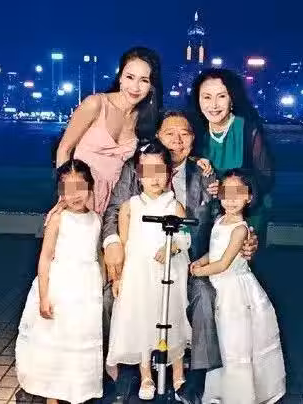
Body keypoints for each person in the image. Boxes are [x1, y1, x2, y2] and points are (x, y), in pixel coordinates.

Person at [102, 110, 258, 403]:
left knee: (204, 295)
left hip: (189, 263)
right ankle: (125, 372)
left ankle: (196, 377)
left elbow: (225, 216)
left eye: (184, 134)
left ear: (193, 139)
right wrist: (113, 243)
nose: (177, 140)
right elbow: (115, 210)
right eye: (169, 134)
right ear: (157, 137)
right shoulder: (136, 168)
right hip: (142, 266)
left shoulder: (204, 173)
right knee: (111, 298)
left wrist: (247, 236)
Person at [190, 169, 286, 404]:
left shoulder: (241, 229)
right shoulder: (219, 220)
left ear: (249, 197)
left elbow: (223, 263)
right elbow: (214, 253)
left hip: (235, 292)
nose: (231, 199)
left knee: (236, 344)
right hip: (219, 286)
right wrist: (200, 261)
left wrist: (198, 272)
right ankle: (220, 391)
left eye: (238, 193)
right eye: (226, 192)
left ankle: (240, 396)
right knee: (222, 344)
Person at [106, 140, 191, 400]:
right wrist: (118, 278)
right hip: (139, 274)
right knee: (143, 318)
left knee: (171, 316)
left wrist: (172, 246)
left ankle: (177, 373)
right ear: (139, 174)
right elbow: (124, 243)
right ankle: (146, 374)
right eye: (148, 172)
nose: (154, 179)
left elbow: (185, 237)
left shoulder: (174, 206)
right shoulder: (130, 206)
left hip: (169, 273)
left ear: (169, 173)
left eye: (160, 171)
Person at [15, 159, 104, 404]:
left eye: (80, 187)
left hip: (86, 292)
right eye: (68, 188)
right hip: (60, 288)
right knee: (54, 344)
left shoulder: (96, 219)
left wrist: (105, 282)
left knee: (78, 344)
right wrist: (44, 296)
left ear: (90, 186)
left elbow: (97, 254)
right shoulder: (58, 219)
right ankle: (51, 398)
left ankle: (75, 393)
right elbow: (45, 258)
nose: (75, 195)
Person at [53, 47, 163, 216]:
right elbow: (64, 149)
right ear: (120, 78)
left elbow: (160, 155)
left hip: (116, 204)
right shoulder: (96, 104)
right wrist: (65, 197)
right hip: (81, 197)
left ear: (151, 86)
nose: (135, 87)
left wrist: (196, 160)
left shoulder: (145, 119)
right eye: (130, 77)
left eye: (144, 80)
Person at [190, 68, 275, 245]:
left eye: (221, 96)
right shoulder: (192, 130)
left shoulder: (247, 130)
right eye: (206, 97)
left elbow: (265, 178)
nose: (213, 105)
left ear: (232, 99)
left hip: (243, 217)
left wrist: (226, 189)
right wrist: (195, 161)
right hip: (200, 217)